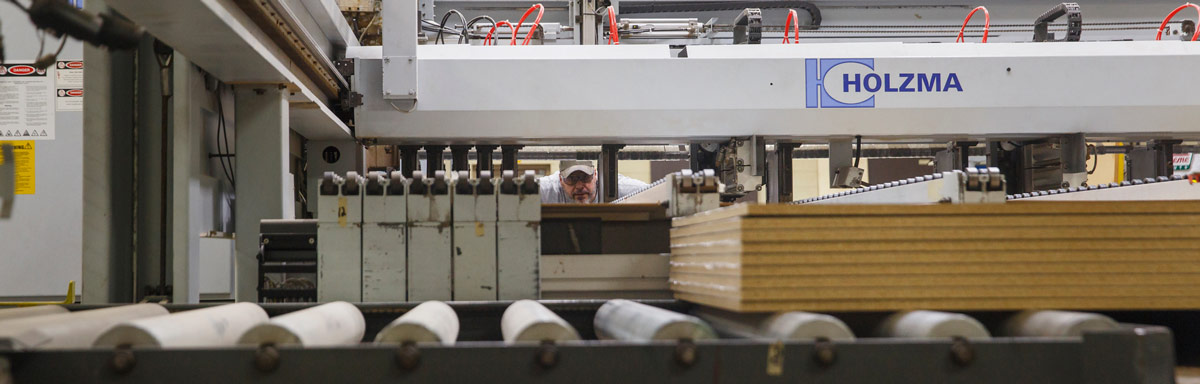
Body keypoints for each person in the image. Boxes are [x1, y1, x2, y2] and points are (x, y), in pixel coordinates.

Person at [538, 160, 649, 203]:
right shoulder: (548, 189)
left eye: (585, 177)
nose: (579, 186)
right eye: (572, 179)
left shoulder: (619, 187)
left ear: (595, 175)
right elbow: (521, 189)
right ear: (560, 180)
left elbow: (658, 191)